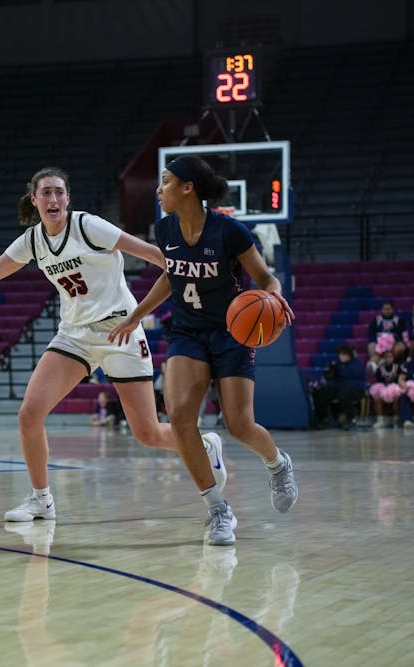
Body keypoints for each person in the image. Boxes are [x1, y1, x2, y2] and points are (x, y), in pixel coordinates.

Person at [0, 166, 227, 537]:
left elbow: (156, 255)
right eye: (45, 193)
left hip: (121, 329)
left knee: (146, 433)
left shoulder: (88, 226)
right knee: (29, 413)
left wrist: (198, 282)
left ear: (68, 198)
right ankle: (41, 499)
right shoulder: (32, 241)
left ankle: (204, 445)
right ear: (34, 200)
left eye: (59, 192)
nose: (53, 199)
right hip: (75, 335)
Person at [107, 155, 299, 546]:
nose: (158, 190)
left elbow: (265, 277)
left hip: (231, 333)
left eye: (165, 182)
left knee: (239, 424)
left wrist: (274, 299)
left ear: (187, 188)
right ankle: (217, 510)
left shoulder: (229, 232)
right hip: (187, 333)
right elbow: (171, 275)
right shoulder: (165, 229)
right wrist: (137, 315)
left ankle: (278, 465)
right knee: (179, 418)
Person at [312, 343, 367, 430]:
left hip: (356, 387)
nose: (341, 356)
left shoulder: (357, 363)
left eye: (344, 354)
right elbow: (330, 377)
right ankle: (324, 419)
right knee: (321, 392)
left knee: (344, 393)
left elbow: (353, 375)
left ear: (350, 355)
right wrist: (330, 372)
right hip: (339, 386)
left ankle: (351, 419)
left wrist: (339, 372)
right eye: (340, 354)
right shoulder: (337, 364)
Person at [370, 349, 402, 428]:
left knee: (397, 397)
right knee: (377, 398)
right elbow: (378, 381)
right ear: (383, 358)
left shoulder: (398, 368)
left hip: (395, 388)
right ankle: (380, 420)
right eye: (386, 357)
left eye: (390, 357)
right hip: (383, 388)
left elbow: (400, 379)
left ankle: (396, 419)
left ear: (393, 358)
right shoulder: (380, 369)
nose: (388, 359)